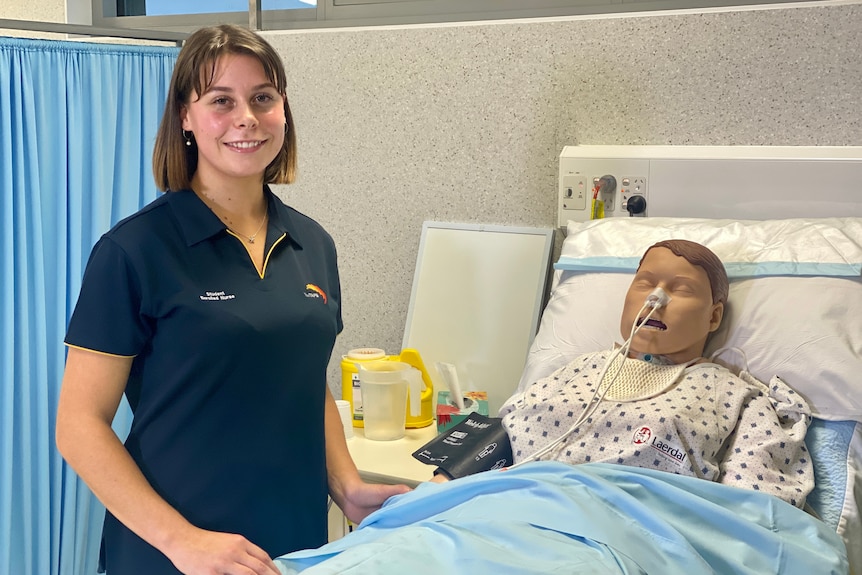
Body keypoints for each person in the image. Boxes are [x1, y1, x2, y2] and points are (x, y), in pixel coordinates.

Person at [55, 24, 409, 575]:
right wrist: (183, 542)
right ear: (185, 118)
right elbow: (79, 424)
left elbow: (302, 379)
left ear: (284, 112)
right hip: (175, 551)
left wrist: (347, 484)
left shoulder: (312, 244)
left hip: (293, 543)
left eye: (262, 98)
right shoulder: (134, 250)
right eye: (222, 100)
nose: (247, 117)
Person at [430, 240, 813, 510]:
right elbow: (502, 435)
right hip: (502, 513)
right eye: (646, 283)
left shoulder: (734, 396)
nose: (655, 299)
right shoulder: (576, 370)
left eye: (679, 289)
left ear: (713, 316)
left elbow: (757, 511)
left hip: (628, 534)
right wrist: (439, 488)